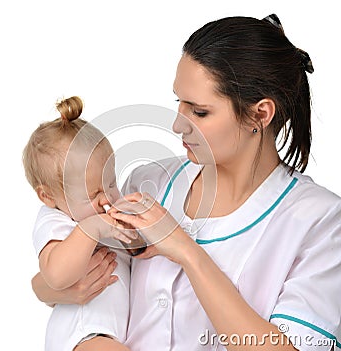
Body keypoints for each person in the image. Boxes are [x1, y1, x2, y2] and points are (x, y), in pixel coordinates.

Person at [31, 15, 341, 351]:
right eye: (178, 102)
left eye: (200, 111)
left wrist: (186, 252)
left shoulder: (320, 221)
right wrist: (48, 289)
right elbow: (63, 277)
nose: (178, 125)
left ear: (260, 115)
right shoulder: (146, 182)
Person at [23, 96, 134, 351]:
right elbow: (56, 275)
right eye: (93, 194)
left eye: (111, 183)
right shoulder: (55, 220)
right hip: (83, 335)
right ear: (48, 196)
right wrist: (92, 228)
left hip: (111, 335)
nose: (106, 198)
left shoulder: (104, 213)